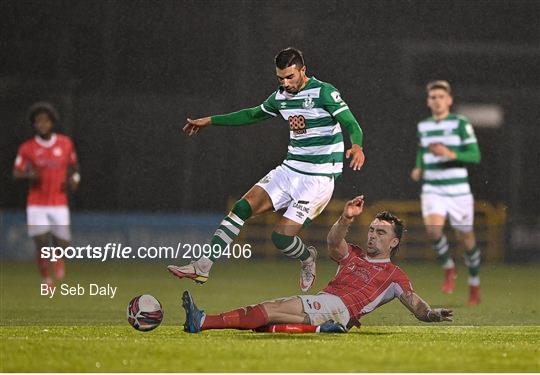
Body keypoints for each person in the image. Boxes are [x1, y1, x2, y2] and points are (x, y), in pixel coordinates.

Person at [168, 47, 365, 292]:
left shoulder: (324, 92)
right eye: (280, 78)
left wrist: (357, 145)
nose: (285, 83)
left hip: (318, 180)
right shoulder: (280, 97)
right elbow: (251, 115)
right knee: (241, 208)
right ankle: (203, 265)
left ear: (303, 70)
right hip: (290, 169)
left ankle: (307, 257)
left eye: (290, 77)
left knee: (280, 238)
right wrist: (211, 120)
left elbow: (351, 123)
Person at [180, 196, 453, 334]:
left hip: (339, 307)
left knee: (268, 309)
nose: (372, 235)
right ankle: (323, 329)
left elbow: (416, 305)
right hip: (325, 304)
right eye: (371, 229)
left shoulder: (395, 275)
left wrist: (432, 313)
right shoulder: (354, 254)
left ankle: (202, 321)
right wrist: (346, 219)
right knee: (265, 322)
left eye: (381, 233)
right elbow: (334, 243)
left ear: (394, 243)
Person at [410, 80, 482, 305]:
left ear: (449, 100)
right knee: (433, 231)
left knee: (466, 239)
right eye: (433, 97)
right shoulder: (424, 126)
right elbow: (423, 150)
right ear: (428, 102)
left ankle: (473, 282)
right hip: (433, 188)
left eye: (441, 96)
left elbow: (475, 155)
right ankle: (449, 268)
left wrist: (450, 153)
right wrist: (419, 166)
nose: (437, 100)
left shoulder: (460, 123)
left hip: (458, 190)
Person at [13, 102, 80, 288]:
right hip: (37, 202)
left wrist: (75, 178)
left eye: (45, 120)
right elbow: (17, 172)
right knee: (41, 241)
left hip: (59, 201)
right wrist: (28, 174)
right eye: (38, 121)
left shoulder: (65, 144)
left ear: (52, 123)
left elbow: (74, 167)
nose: (42, 124)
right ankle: (46, 280)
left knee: (63, 242)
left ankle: (58, 258)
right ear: (34, 125)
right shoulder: (27, 148)